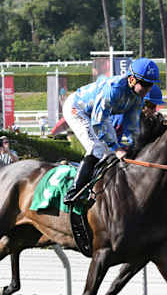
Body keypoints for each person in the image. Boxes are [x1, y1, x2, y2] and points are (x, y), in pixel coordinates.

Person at [62, 58, 159, 205]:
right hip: (77, 109)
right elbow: (97, 121)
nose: (147, 89)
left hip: (98, 114)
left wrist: (137, 146)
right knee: (97, 148)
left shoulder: (137, 99)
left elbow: (132, 126)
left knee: (110, 154)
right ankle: (75, 192)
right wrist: (116, 148)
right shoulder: (114, 89)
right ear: (132, 79)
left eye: (150, 85)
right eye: (145, 84)